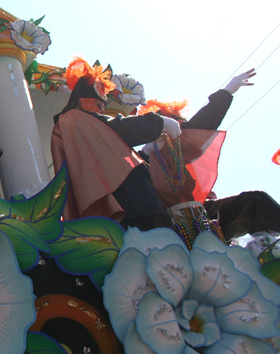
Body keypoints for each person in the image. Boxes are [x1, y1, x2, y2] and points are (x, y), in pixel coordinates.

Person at [141, 69, 280, 239]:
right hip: (160, 225)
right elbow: (197, 127)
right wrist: (226, 93)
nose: (181, 126)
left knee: (255, 203)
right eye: (175, 121)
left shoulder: (177, 154)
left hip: (199, 218)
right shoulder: (146, 154)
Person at [51, 57, 181, 229]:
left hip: (129, 206)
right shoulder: (74, 118)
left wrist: (148, 150)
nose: (101, 111)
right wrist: (157, 123)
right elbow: (117, 126)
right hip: (131, 208)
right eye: (98, 104)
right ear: (81, 102)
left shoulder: (75, 126)